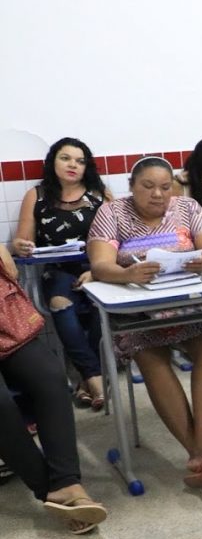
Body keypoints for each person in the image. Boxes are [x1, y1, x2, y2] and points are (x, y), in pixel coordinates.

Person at [87, 156, 202, 488]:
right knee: (151, 354)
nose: (158, 194)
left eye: (165, 187)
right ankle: (200, 452)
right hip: (138, 313)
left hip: (186, 306)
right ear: (131, 186)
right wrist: (127, 273)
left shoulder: (188, 208)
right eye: (148, 186)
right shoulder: (112, 213)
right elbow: (99, 265)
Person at [0, 241, 108, 534]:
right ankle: (56, 491)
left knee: (51, 379)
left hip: (7, 326)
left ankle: (66, 483)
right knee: (2, 407)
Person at [12, 137, 112, 409]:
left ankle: (84, 380)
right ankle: (94, 377)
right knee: (60, 303)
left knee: (97, 307)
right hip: (57, 271)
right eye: (65, 158)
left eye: (80, 161)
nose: (73, 165)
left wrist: (97, 271)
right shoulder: (38, 194)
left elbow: (117, 239)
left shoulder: (98, 194)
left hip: (98, 268)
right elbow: (22, 242)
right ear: (53, 161)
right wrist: (21, 246)